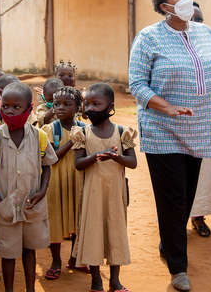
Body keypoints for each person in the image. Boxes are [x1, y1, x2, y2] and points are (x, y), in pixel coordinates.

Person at [129, 0, 211, 291]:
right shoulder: (148, 37)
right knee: (172, 197)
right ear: (165, 5)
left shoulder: (206, 33)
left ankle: (168, 243)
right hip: (163, 130)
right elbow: (136, 84)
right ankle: (178, 267)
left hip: (200, 127)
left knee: (186, 195)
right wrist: (167, 108)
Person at [0, 82, 57, 292]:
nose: (10, 111)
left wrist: (42, 191)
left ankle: (30, 288)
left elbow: (47, 166)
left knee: (29, 250)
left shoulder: (39, 136)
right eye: (5, 106)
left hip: (32, 204)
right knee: (8, 253)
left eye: (16, 107)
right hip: (6, 206)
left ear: (29, 109)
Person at [72, 83, 137, 292]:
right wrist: (95, 156)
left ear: (110, 106)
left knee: (115, 232)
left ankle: (115, 280)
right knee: (93, 234)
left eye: (96, 104)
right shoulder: (82, 133)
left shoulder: (121, 132)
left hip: (115, 194)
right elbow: (78, 164)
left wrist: (117, 157)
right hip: (92, 194)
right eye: (87, 104)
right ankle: (96, 281)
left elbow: (132, 162)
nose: (90, 109)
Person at [42, 86, 87, 280]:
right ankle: (56, 261)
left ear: (77, 107)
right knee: (55, 219)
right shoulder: (50, 129)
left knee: (78, 217)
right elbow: (52, 158)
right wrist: (71, 141)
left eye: (67, 104)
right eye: (56, 104)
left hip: (78, 179)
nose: (60, 108)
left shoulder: (86, 129)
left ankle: (75, 257)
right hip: (55, 180)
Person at [189, 2, 211, 238]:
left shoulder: (210, 45)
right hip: (178, 125)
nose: (196, 24)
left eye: (199, 20)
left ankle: (198, 216)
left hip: (206, 123)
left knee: (204, 174)